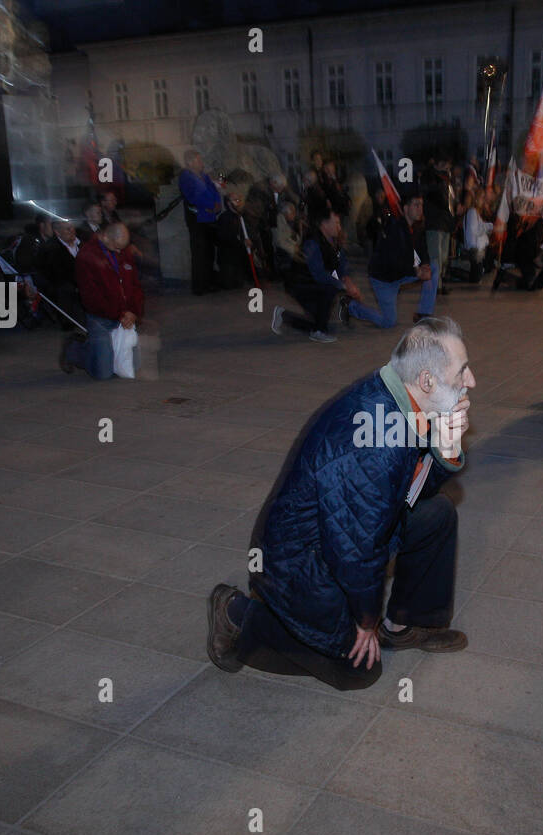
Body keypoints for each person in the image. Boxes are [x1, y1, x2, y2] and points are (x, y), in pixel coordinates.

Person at [206, 317, 474, 690]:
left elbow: (413, 494)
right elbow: (357, 553)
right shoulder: (376, 444)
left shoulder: (400, 396)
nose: (470, 381)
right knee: (359, 672)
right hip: (300, 561)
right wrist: (366, 620)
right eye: (462, 371)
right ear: (427, 380)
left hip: (341, 535)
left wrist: (445, 450)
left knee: (438, 514)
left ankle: (406, 624)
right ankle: (238, 615)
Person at [272, 209, 382, 341]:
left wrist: (348, 282)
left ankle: (285, 316)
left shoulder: (333, 241)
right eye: (335, 223)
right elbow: (319, 275)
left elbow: (341, 265)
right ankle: (318, 331)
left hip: (311, 284)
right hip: (299, 284)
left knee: (320, 321)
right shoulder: (312, 242)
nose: (339, 227)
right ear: (324, 224)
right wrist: (343, 286)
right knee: (330, 289)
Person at [68, 222, 147, 378]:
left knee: (132, 366)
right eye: (116, 247)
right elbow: (91, 297)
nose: (119, 251)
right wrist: (120, 313)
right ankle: (76, 349)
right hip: (100, 316)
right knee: (103, 374)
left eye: (122, 248)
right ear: (104, 237)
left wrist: (134, 311)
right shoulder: (86, 256)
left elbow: (134, 285)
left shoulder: (123, 251)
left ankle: (103, 349)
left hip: (123, 313)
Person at [367, 190, 434, 326]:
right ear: (405, 208)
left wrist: (425, 265)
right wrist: (417, 271)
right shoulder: (395, 228)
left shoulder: (417, 227)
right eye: (416, 205)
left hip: (401, 274)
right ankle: (352, 306)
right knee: (388, 322)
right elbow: (394, 262)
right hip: (384, 279)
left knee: (434, 267)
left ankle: (423, 313)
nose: (420, 209)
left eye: (421, 205)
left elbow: (423, 250)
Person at [178, 149, 222, 295]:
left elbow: (214, 190)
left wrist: (217, 204)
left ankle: (209, 282)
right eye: (198, 160)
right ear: (190, 162)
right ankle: (199, 286)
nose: (201, 162)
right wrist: (210, 205)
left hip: (209, 218)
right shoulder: (186, 177)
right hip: (197, 219)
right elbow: (193, 196)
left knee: (209, 252)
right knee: (199, 253)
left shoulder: (204, 176)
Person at [38, 220, 85, 325]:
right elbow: (57, 274)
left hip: (84, 278)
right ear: (58, 232)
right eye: (67, 229)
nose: (72, 231)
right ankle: (68, 321)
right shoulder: (51, 248)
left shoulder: (82, 243)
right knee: (65, 289)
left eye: (72, 228)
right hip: (63, 282)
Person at [423, 157, 456, 296]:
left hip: (445, 223)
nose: (447, 167)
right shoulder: (431, 178)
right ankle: (436, 286)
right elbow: (437, 198)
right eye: (444, 164)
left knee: (442, 257)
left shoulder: (447, 179)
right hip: (435, 222)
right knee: (435, 257)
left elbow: (450, 200)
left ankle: (439, 283)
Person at [214, 191, 252, 290]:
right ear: (228, 203)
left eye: (239, 200)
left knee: (239, 284)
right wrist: (241, 242)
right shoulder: (224, 218)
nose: (239, 202)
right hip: (228, 258)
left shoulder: (241, 217)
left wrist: (248, 241)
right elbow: (223, 238)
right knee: (229, 286)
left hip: (238, 258)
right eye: (235, 200)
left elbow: (245, 234)